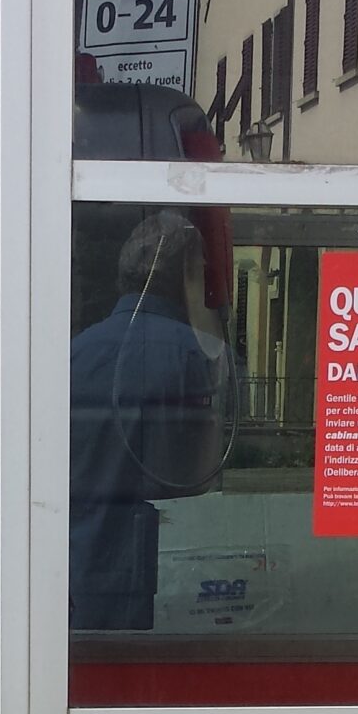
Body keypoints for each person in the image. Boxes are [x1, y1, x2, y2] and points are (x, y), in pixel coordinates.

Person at [68, 211, 221, 632]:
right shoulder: (197, 355)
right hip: (169, 568)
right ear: (187, 277)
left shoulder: (75, 353)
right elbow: (203, 476)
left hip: (78, 565)